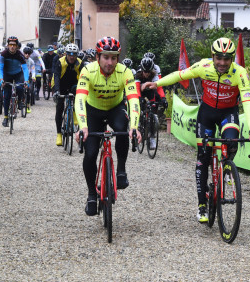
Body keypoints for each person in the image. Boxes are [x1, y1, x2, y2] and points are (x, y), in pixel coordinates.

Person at [142, 37, 250, 223]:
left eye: (227, 59)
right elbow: (180, 75)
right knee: (203, 158)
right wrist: (158, 84)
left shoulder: (240, 73)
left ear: (232, 59)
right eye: (219, 58)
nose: (222, 63)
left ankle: (227, 168)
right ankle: (202, 204)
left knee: (231, 142)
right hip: (206, 114)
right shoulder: (203, 66)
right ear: (212, 56)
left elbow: (247, 102)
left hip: (228, 113)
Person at [74, 36, 141, 216]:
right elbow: (79, 98)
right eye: (105, 57)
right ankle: (91, 195)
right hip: (92, 111)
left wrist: (135, 126)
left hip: (115, 109)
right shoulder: (88, 70)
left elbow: (133, 100)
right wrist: (83, 126)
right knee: (90, 153)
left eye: (113, 58)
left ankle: (120, 170)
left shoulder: (125, 72)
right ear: (98, 57)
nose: (109, 62)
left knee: (122, 130)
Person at [53, 43, 82, 146]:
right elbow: (56, 77)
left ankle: (74, 115)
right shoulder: (60, 62)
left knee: (78, 98)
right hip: (61, 85)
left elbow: (84, 78)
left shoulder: (79, 63)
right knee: (59, 108)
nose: (71, 56)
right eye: (69, 54)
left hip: (74, 84)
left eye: (74, 54)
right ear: (66, 54)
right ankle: (59, 134)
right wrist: (56, 91)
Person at [135, 57, 167, 150]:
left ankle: (151, 136)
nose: (146, 74)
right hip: (140, 90)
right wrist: (140, 98)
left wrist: (163, 98)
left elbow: (159, 87)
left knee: (152, 111)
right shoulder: (138, 74)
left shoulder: (154, 74)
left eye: (148, 72)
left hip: (150, 91)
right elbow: (137, 88)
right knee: (140, 105)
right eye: (145, 71)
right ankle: (139, 125)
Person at [0, 36, 29, 127]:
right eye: (10, 45)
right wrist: (1, 79)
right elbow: (0, 68)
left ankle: (19, 101)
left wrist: (26, 80)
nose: (12, 46)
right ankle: (6, 117)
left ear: (17, 46)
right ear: (7, 45)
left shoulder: (20, 55)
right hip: (7, 75)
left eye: (14, 45)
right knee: (7, 96)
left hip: (18, 74)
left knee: (20, 87)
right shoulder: (3, 54)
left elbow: (25, 69)